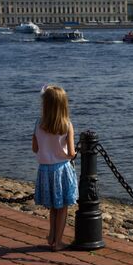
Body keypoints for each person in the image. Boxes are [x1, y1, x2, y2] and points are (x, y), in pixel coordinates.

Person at [32, 84, 78, 251]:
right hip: (61, 170)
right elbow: (72, 153)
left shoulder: (38, 123)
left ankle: (51, 236)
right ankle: (58, 242)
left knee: (53, 207)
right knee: (62, 207)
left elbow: (35, 148)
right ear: (63, 105)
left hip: (45, 170)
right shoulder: (67, 125)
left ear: (45, 104)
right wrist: (68, 153)